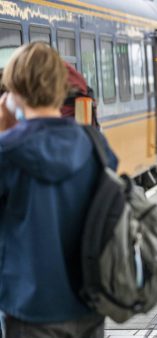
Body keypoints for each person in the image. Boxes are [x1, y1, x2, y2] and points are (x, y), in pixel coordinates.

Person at [0, 42, 117, 337]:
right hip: (89, 302)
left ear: (14, 88)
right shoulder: (95, 145)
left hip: (30, 307)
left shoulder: (8, 150)